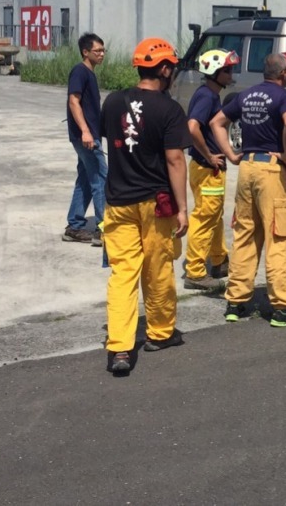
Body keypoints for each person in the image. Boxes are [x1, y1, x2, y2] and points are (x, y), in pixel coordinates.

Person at [101, 38, 190, 375]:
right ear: (164, 68)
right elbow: (175, 158)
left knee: (124, 273)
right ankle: (160, 332)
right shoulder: (168, 109)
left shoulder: (112, 102)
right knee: (158, 268)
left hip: (118, 200)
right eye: (173, 68)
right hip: (155, 203)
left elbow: (111, 142)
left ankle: (120, 348)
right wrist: (182, 208)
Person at [210, 53, 286, 328]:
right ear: (284, 73)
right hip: (271, 170)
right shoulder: (284, 96)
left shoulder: (246, 95)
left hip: (247, 169)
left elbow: (216, 122)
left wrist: (231, 154)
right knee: (278, 236)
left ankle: (236, 302)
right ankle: (283, 307)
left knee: (244, 235)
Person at [183, 48, 240, 291]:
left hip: (206, 168)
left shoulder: (209, 94)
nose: (231, 74)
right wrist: (209, 155)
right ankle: (195, 272)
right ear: (215, 73)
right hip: (208, 168)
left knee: (214, 215)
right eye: (227, 70)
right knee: (205, 217)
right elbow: (192, 127)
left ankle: (218, 260)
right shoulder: (207, 97)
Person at [64, 32, 107, 245]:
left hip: (88, 135)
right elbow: (74, 101)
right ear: (85, 52)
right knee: (100, 177)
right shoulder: (80, 72)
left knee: (86, 180)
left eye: (103, 50)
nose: (101, 54)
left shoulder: (90, 73)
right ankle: (104, 228)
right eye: (97, 50)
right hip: (85, 137)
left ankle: (75, 225)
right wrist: (86, 131)